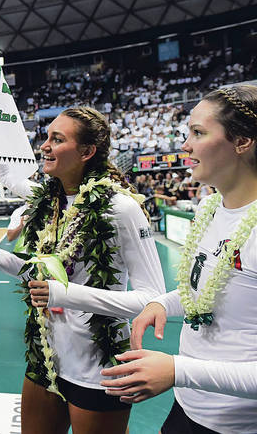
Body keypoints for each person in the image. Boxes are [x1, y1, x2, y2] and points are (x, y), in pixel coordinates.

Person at [0, 107, 165, 434]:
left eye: (57, 139)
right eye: (46, 137)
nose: (44, 146)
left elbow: (152, 299)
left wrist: (66, 294)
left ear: (87, 152)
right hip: (45, 357)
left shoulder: (122, 209)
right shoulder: (47, 204)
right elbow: (42, 276)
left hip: (98, 366)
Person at [100, 85, 257, 434]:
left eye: (198, 133)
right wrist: (163, 304)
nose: (184, 145)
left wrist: (177, 370)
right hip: (188, 407)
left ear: (242, 141)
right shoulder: (209, 207)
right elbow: (207, 293)